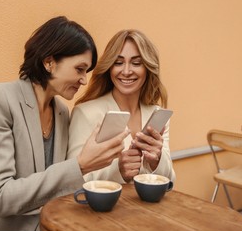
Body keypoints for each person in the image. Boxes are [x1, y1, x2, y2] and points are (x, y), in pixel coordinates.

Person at [0, 16, 129, 231]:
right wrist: (80, 165)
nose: (84, 80)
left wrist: (113, 166)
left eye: (87, 72)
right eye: (79, 69)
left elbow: (56, 187)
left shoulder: (62, 113)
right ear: (49, 62)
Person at [67, 29, 175, 184]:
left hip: (149, 207)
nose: (126, 71)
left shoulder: (157, 114)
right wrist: (118, 171)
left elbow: (170, 182)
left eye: (136, 63)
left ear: (148, 69)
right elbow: (73, 180)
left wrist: (157, 161)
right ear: (109, 67)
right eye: (118, 63)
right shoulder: (86, 113)